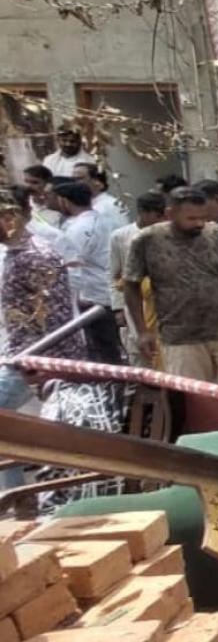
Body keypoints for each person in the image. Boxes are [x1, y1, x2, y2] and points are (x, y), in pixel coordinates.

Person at [0, 186, 86, 490]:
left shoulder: (37, 257)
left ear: (9, 217)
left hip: (40, 359)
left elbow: (58, 319)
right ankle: (16, 496)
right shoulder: (13, 253)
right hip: (20, 354)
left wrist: (44, 368)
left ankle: (18, 496)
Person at [125, 186, 218, 385]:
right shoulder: (146, 240)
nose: (199, 224)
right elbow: (130, 285)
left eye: (203, 218)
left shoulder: (217, 235)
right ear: (170, 214)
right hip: (180, 338)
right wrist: (142, 332)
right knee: (195, 400)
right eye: (191, 219)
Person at [50, 181, 122, 363]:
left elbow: (72, 264)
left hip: (93, 295)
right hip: (111, 290)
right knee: (111, 344)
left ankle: (112, 387)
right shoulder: (108, 220)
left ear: (64, 201)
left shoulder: (78, 229)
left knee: (102, 348)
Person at [109, 192, 166, 367]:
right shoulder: (121, 236)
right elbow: (113, 273)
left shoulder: (167, 233)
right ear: (143, 212)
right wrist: (118, 308)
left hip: (163, 302)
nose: (161, 220)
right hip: (135, 302)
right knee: (140, 352)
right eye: (157, 216)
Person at [73, 163, 130, 232]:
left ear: (97, 182)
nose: (74, 183)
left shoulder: (112, 205)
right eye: (72, 179)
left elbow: (122, 234)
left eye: (79, 179)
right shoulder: (78, 205)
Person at [21, 165, 61, 231]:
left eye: (35, 182)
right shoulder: (24, 201)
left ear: (48, 184)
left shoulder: (58, 204)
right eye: (26, 181)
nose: (28, 186)